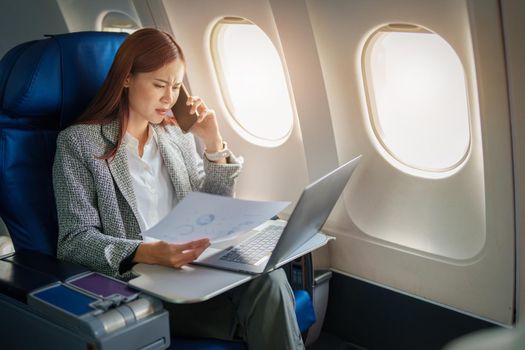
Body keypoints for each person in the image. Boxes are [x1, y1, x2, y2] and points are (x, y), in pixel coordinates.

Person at [52, 28, 304, 349]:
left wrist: (212, 142)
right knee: (265, 307)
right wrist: (147, 253)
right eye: (159, 85)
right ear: (127, 78)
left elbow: (211, 207)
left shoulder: (176, 136)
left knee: (270, 279)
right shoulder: (79, 143)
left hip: (195, 270)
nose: (169, 98)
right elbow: (74, 240)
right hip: (141, 285)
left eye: (175, 86)